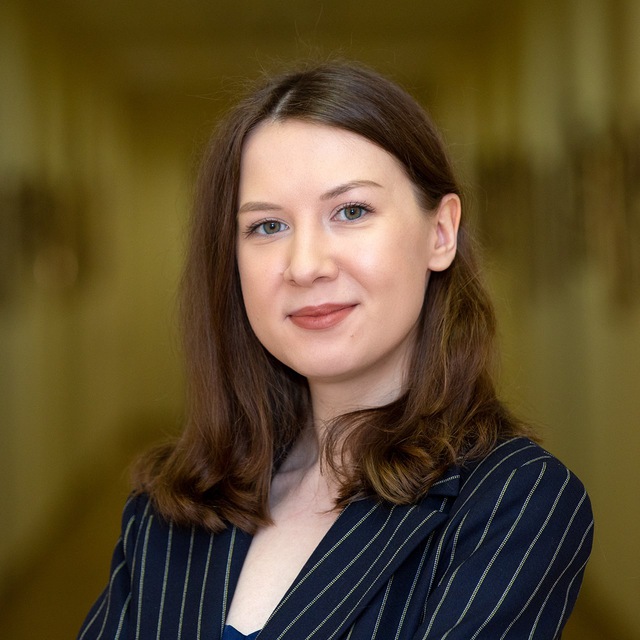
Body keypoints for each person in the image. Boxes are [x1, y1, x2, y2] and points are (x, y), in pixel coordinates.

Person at [78, 61, 593, 640]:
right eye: (267, 226)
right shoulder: (170, 505)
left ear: (441, 232)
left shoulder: (513, 503)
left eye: (351, 212)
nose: (305, 266)